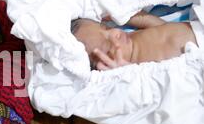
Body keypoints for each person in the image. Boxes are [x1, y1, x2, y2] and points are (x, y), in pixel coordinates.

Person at [71, 10, 202, 71]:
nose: (115, 32)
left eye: (105, 28)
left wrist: (127, 16)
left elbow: (162, 26)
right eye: (107, 44)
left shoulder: (132, 36)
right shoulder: (134, 67)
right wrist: (122, 71)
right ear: (105, 65)